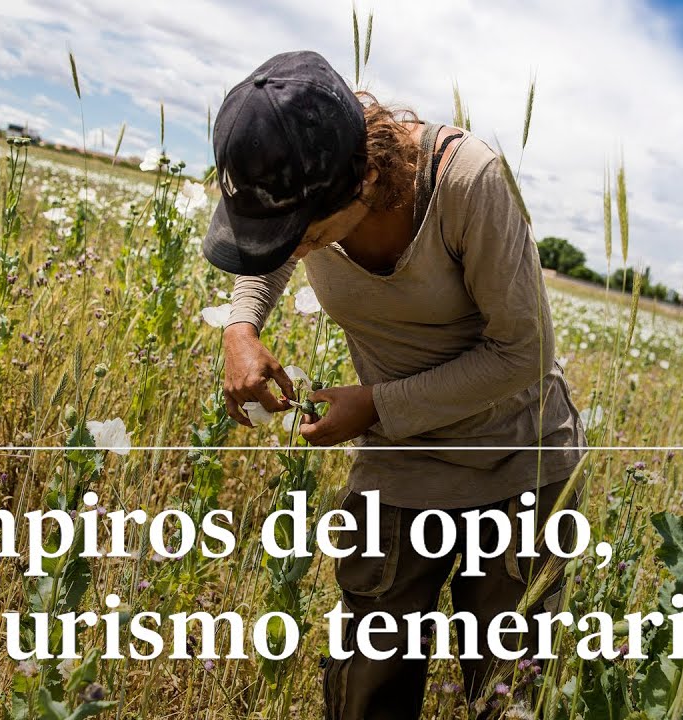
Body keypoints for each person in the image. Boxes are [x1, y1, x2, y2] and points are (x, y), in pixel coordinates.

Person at [202, 49, 586, 719]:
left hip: (515, 461)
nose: (287, 251)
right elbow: (266, 256)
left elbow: (521, 353)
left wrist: (375, 404)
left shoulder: (467, 183)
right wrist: (241, 329)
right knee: (366, 683)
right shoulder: (301, 192)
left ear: (360, 184)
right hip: (399, 457)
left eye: (298, 236)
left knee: (508, 695)